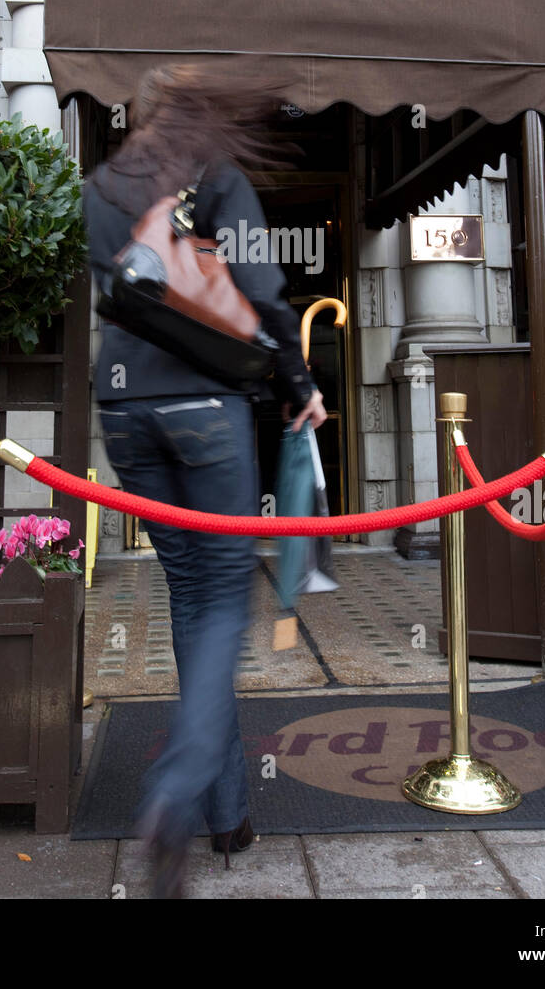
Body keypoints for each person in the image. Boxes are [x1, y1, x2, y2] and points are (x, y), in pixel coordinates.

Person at [82, 63, 326, 898]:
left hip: (123, 413)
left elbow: (114, 296)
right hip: (207, 412)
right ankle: (178, 793)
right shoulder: (216, 175)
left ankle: (227, 810)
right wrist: (301, 387)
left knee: (191, 597)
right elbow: (260, 291)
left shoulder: (101, 185)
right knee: (225, 599)